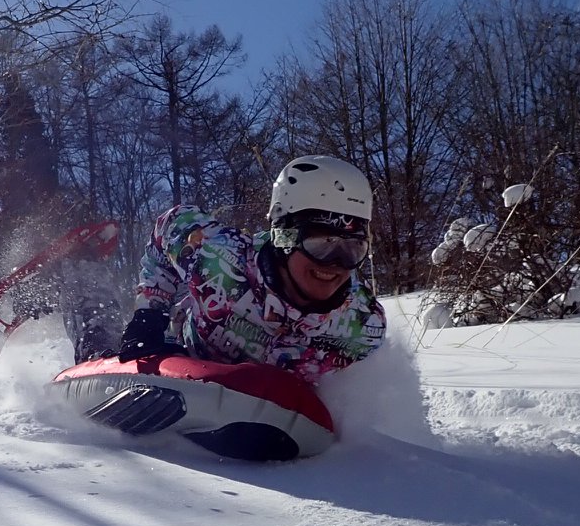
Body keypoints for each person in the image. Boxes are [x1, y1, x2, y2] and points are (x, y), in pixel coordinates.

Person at [107, 156, 386, 382]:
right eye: (321, 243)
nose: (335, 264)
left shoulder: (362, 324)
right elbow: (168, 225)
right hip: (181, 347)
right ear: (285, 236)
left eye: (352, 249)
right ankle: (85, 287)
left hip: (266, 409)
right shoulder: (219, 256)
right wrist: (150, 313)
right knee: (105, 342)